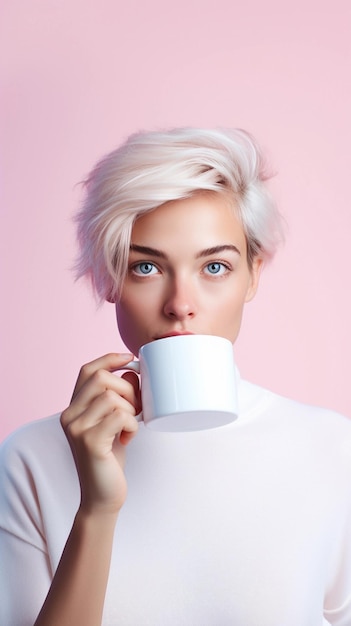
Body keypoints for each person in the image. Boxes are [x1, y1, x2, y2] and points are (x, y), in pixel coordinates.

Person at [1, 127, 351, 626]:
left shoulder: (332, 449)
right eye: (146, 267)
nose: (180, 305)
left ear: (253, 273)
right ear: (107, 278)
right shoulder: (31, 460)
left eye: (214, 267)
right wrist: (97, 512)